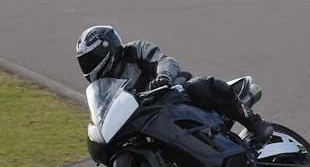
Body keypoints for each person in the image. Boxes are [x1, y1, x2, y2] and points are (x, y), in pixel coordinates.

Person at [76, 25, 273, 143]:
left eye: (91, 59)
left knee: (202, 86)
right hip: (145, 116)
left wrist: (163, 78)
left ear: (106, 49)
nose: (89, 65)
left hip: (172, 92)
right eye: (85, 61)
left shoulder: (135, 49)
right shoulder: (104, 84)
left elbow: (166, 61)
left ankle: (254, 123)